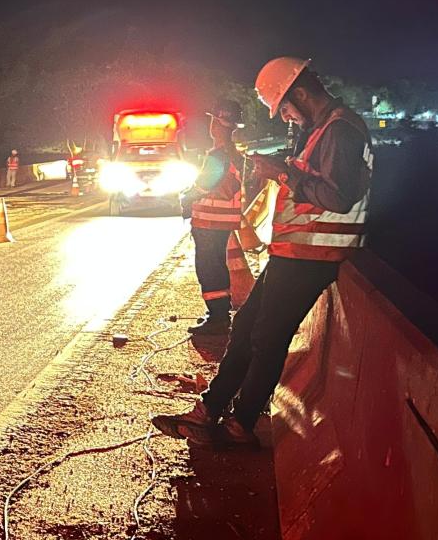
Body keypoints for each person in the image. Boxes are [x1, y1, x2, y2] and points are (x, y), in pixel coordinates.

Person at [154, 58, 372, 447]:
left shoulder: (340, 129)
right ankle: (209, 411)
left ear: (300, 93)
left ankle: (240, 424)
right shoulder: (321, 128)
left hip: (315, 255)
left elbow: (338, 196)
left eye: (285, 107)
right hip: (295, 251)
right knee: (246, 329)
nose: (285, 117)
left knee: (266, 338)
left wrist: (282, 172)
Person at [181, 100, 245, 336]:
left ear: (217, 124)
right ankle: (218, 314)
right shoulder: (232, 153)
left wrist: (186, 197)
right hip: (220, 221)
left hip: (210, 222)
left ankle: (218, 318)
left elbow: (204, 185)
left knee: (208, 268)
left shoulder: (219, 154)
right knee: (216, 265)